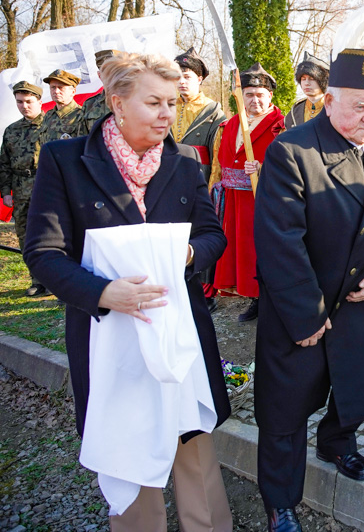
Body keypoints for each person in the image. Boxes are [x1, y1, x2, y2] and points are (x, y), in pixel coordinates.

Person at [22, 52, 232, 530]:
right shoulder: (66, 160)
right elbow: (44, 252)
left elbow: (212, 234)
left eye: (172, 103)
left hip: (178, 329)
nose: (167, 114)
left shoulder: (184, 160)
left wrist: (187, 254)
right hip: (111, 335)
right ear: (117, 103)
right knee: (129, 446)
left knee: (192, 445)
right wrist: (102, 293)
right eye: (154, 102)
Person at [253, 48, 364, 532]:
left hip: (358, 300)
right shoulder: (292, 150)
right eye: (361, 105)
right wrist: (306, 315)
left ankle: (338, 443)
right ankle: (281, 501)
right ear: (330, 100)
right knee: (286, 409)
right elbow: (280, 242)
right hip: (305, 302)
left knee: (355, 387)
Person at [209, 62, 283, 322]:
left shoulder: (280, 126)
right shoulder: (231, 124)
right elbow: (220, 162)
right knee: (240, 251)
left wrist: (263, 168)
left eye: (260, 95)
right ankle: (253, 298)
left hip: (262, 199)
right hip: (234, 199)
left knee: (260, 249)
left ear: (270, 96)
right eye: (248, 95)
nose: (254, 100)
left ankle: (269, 300)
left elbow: (290, 163)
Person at [173, 47, 228, 313]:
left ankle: (205, 291)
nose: (181, 81)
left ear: (199, 79)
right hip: (168, 179)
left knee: (199, 233)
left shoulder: (214, 114)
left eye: (186, 76)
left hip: (200, 177)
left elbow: (217, 156)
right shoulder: (168, 106)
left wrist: (211, 188)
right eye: (177, 76)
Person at [0, 81, 45, 296]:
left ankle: (56, 279)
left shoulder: (52, 124)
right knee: (25, 236)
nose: (24, 106)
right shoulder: (11, 130)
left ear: (39, 101)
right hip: (20, 189)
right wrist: (6, 192)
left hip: (47, 186)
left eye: (28, 101)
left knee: (52, 233)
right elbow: (4, 164)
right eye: (19, 102)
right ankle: (37, 280)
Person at [38, 68, 85, 145]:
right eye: (53, 87)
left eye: (61, 87)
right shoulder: (48, 116)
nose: (56, 91)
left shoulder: (82, 115)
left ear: (73, 92)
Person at [285, 51, 329, 130]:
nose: (306, 83)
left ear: (322, 81)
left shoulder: (333, 108)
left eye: (312, 79)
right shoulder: (295, 111)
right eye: (303, 79)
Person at [81, 49, 120, 133]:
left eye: (114, 71)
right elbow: (83, 141)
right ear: (99, 75)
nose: (110, 75)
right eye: (106, 71)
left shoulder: (134, 100)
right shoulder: (89, 105)